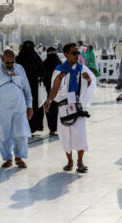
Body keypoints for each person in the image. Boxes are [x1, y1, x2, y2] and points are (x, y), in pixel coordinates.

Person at [44, 43, 96, 173]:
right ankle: (70, 161)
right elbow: (55, 88)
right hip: (63, 106)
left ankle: (80, 162)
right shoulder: (60, 70)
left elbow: (91, 84)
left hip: (78, 106)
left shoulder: (82, 69)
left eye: (78, 53)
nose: (77, 55)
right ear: (66, 54)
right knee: (64, 135)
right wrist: (49, 100)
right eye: (74, 53)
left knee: (81, 134)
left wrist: (88, 80)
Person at [0, 49, 33, 168]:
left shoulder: (20, 69)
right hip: (3, 108)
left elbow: (26, 88)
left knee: (21, 133)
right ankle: (7, 158)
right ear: (2, 60)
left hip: (19, 107)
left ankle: (19, 157)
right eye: (8, 63)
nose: (10, 65)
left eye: (12, 62)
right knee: (4, 133)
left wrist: (29, 106)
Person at [16, 41, 44, 134]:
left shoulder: (19, 59)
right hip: (32, 88)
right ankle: (33, 126)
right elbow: (42, 73)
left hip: (21, 88)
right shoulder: (37, 59)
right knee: (32, 106)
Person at [43, 46, 62, 136]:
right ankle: (58, 128)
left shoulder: (45, 63)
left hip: (48, 90)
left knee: (50, 108)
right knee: (57, 109)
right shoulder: (59, 63)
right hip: (58, 89)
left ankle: (52, 129)